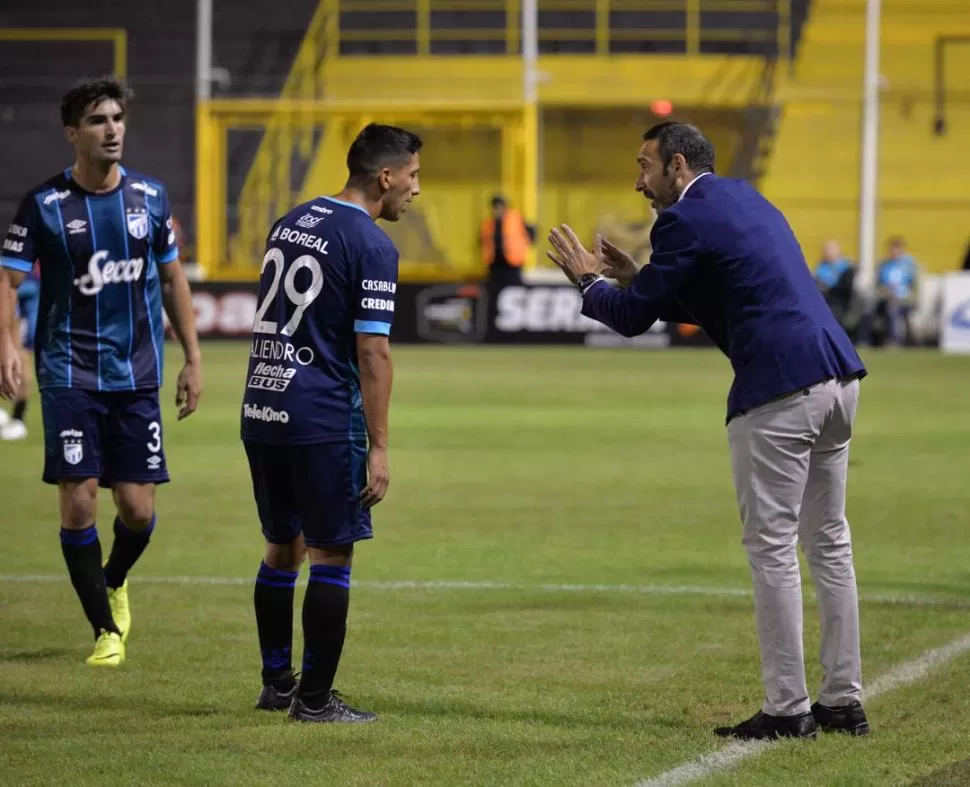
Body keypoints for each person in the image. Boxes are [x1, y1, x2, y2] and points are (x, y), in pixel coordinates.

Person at [546, 122, 869, 741]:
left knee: (772, 548)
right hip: (837, 378)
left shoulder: (680, 222)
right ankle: (842, 701)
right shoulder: (745, 198)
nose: (636, 182)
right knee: (829, 543)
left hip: (778, 390)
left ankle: (786, 708)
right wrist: (640, 278)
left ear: (675, 164)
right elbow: (717, 294)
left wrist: (588, 281)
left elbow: (635, 322)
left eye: (643, 166)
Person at [0, 77, 203, 668]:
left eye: (117, 118)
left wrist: (192, 357)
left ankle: (112, 579)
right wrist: (8, 346)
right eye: (97, 120)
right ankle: (105, 630)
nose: (112, 128)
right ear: (72, 133)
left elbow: (172, 280)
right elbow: (8, 281)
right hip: (68, 373)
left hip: (138, 375)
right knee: (80, 501)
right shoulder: (43, 206)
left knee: (138, 512)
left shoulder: (150, 198)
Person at [240, 122, 421, 723]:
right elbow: (373, 352)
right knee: (331, 557)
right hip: (320, 417)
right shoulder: (372, 245)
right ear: (385, 176)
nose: (415, 191)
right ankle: (314, 701)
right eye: (413, 177)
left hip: (263, 406)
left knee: (280, 547)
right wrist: (380, 447)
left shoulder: (290, 220)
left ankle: (276, 684)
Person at [479, 195, 534, 287]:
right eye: (495, 207)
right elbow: (482, 241)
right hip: (495, 264)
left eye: (500, 207)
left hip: (512, 264)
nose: (497, 210)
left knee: (513, 289)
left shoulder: (516, 220)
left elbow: (531, 233)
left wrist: (522, 248)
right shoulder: (488, 224)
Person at [874, 236, 920, 346]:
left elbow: (915, 286)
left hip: (905, 299)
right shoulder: (884, 265)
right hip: (886, 298)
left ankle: (894, 339)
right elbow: (878, 285)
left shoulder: (909, 265)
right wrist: (884, 293)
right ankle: (865, 340)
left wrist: (906, 296)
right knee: (871, 308)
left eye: (896, 249)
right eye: (891, 249)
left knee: (893, 307)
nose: (893, 252)